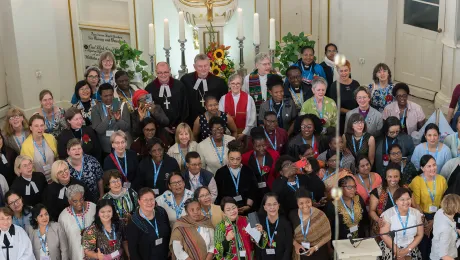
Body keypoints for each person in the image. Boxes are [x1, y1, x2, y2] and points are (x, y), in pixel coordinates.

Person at [409, 154, 448, 259]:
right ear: (422, 168)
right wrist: (426, 223)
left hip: (439, 215)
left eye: (434, 165)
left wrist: (435, 220)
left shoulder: (442, 180)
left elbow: (445, 201)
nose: (432, 168)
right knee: (424, 246)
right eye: (429, 166)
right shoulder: (417, 181)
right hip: (422, 217)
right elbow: (415, 204)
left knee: (438, 246)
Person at [181, 54, 228, 127]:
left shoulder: (219, 82)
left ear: (210, 65)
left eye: (206, 65)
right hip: (191, 120)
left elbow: (223, 104)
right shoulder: (186, 80)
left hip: (212, 121)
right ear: (194, 66)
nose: (203, 69)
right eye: (200, 66)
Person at [378, 187, 424, 259]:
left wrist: (407, 250)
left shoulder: (416, 213)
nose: (406, 202)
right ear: (396, 201)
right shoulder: (388, 214)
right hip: (391, 247)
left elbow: (420, 235)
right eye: (402, 200)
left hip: (411, 247)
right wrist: (397, 251)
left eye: (408, 199)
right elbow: (384, 235)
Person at [214, 140, 258, 215]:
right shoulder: (220, 172)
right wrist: (226, 208)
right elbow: (218, 194)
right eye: (232, 159)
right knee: (229, 226)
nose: (235, 162)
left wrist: (248, 206)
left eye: (238, 159)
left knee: (254, 226)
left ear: (241, 158)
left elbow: (253, 190)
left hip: (248, 208)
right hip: (227, 210)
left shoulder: (248, 171)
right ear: (227, 158)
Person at [126, 187, 170, 259]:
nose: (149, 203)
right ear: (139, 201)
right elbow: (133, 250)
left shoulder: (161, 212)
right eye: (145, 200)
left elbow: (168, 233)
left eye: (151, 199)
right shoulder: (134, 221)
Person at [147, 62, 189, 132]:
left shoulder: (180, 86)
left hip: (179, 128)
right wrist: (162, 127)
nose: (163, 75)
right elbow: (150, 111)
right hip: (159, 129)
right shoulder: (149, 89)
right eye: (160, 73)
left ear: (170, 70)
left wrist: (179, 125)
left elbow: (185, 108)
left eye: (165, 72)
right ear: (156, 72)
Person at [289, 188, 331, 259]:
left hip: (319, 252)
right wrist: (296, 244)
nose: (305, 205)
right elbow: (288, 234)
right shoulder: (292, 215)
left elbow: (327, 235)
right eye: (301, 203)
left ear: (311, 201)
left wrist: (315, 248)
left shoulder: (320, 215)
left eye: (308, 202)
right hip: (301, 252)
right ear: (297, 204)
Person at [58, 184, 96, 260]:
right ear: (69, 201)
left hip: (94, 254)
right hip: (75, 255)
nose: (79, 203)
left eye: (81, 199)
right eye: (75, 201)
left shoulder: (93, 208)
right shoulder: (63, 217)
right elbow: (62, 241)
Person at [242, 127, 280, 202]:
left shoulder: (274, 155)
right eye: (258, 146)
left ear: (266, 143)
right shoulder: (245, 158)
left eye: (263, 145)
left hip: (271, 191)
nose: (261, 148)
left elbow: (278, 174)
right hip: (253, 194)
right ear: (253, 145)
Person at [91, 83, 130, 155]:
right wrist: (108, 118)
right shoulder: (96, 109)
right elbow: (99, 130)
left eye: (111, 95)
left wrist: (118, 120)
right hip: (104, 148)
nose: (109, 98)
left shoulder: (121, 105)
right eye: (105, 96)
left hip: (121, 146)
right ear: (100, 96)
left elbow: (126, 127)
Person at [369, 164, 404, 235]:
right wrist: (378, 220)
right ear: (385, 177)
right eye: (390, 177)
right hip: (384, 228)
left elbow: (414, 207)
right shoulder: (378, 192)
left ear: (400, 177)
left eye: (396, 176)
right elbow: (371, 211)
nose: (393, 180)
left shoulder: (405, 190)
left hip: (403, 227)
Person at [20, 114, 57, 182]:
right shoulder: (25, 146)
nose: (40, 128)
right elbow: (26, 168)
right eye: (36, 126)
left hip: (54, 177)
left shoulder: (50, 138)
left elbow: (57, 157)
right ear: (31, 128)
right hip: (38, 180)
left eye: (42, 125)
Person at [219, 74, 257, 139]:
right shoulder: (223, 98)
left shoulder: (248, 98)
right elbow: (221, 117)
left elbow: (252, 118)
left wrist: (244, 133)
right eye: (233, 83)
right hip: (228, 134)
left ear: (241, 85)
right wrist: (229, 133)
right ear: (229, 85)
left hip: (244, 133)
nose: (235, 86)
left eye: (238, 83)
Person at [256, 192, 293, 260]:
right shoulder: (259, 224)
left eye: (275, 204)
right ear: (264, 207)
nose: (272, 207)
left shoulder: (286, 224)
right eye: (269, 205)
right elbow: (258, 248)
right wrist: (260, 234)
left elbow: (288, 248)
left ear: (278, 205)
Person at [328, 60, 360, 134]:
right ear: (337, 71)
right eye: (341, 71)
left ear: (350, 70)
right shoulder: (334, 86)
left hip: (356, 118)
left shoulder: (356, 84)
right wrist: (350, 112)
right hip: (341, 120)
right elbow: (334, 106)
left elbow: (360, 101)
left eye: (346, 70)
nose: (343, 73)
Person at [430, 194, 460, 260]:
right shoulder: (446, 229)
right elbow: (444, 255)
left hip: (435, 252)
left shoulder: (440, 212)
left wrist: (457, 230)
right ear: (456, 208)